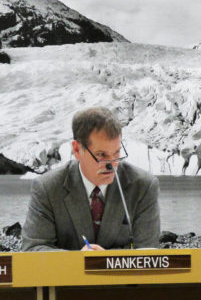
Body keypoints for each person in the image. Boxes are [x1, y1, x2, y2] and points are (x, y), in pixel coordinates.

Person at [21, 107, 160, 251]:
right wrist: (80, 261)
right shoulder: (47, 187)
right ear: (76, 150)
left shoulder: (144, 186)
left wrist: (105, 261)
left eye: (117, 153)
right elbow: (33, 249)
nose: (112, 165)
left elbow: (148, 252)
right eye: (101, 155)